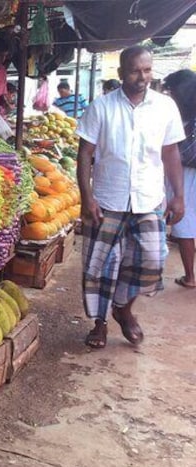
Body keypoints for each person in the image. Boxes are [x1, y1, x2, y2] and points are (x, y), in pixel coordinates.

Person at [76, 46, 185, 349]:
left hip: (148, 198)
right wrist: (87, 197)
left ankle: (123, 309)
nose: (142, 76)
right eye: (135, 70)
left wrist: (179, 196)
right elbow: (85, 154)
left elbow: (170, 152)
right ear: (122, 73)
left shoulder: (165, 107)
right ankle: (100, 324)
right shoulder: (101, 107)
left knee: (152, 259)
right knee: (100, 265)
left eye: (147, 70)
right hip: (109, 198)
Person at [163, 70, 196, 288]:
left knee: (183, 221)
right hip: (187, 171)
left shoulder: (183, 116)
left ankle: (190, 277)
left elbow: (174, 151)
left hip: (184, 173)